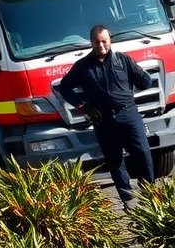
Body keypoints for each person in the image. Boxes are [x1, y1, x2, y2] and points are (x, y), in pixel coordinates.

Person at [58, 24, 156, 209]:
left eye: (104, 41)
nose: (101, 45)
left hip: (128, 114)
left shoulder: (124, 60)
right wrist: (82, 105)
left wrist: (142, 77)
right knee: (114, 160)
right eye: (97, 42)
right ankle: (129, 201)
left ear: (110, 41)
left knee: (143, 152)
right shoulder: (82, 66)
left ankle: (150, 194)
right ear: (91, 43)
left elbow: (145, 81)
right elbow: (64, 87)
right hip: (103, 120)